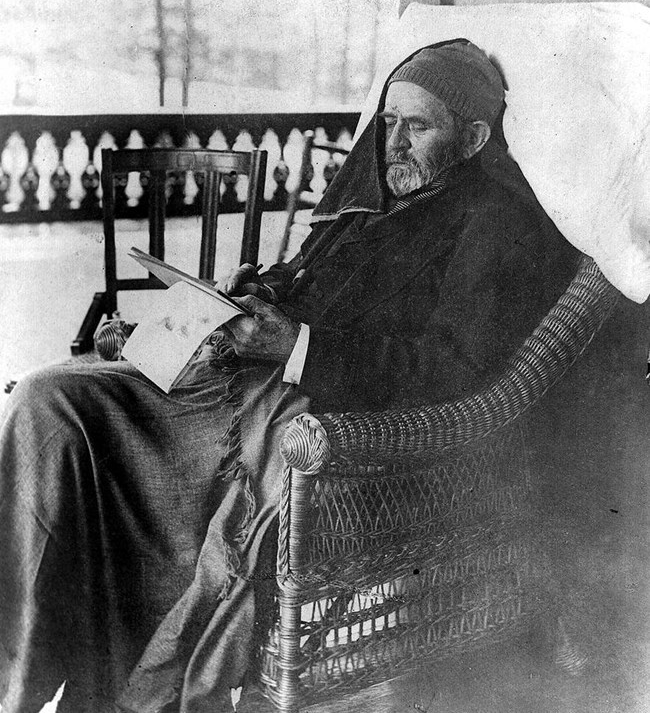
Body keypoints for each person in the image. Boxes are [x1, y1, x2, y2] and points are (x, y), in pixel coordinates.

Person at [0, 40, 577, 713]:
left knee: (95, 433)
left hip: (320, 417)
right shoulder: (371, 198)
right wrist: (243, 296)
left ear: (475, 137)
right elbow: (311, 279)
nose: (391, 143)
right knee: (48, 398)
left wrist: (296, 342)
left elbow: (448, 369)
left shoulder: (496, 225)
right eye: (387, 121)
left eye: (417, 127)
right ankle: (10, 686)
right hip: (239, 381)